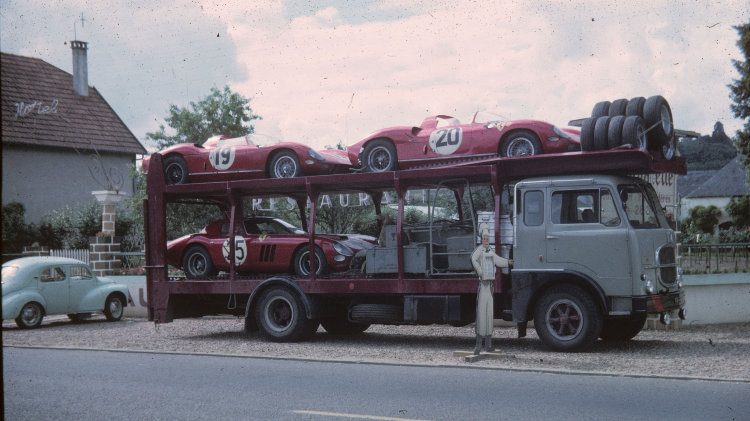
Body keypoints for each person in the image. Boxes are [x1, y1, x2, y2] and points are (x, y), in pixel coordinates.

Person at [470, 230, 512, 355]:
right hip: (483, 286)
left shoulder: (490, 250)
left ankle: (488, 345)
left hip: (490, 286)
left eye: (487, 239)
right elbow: (473, 259)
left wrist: (508, 262)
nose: (486, 241)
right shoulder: (479, 250)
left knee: (489, 315)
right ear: (481, 239)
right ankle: (478, 346)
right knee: (481, 315)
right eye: (484, 239)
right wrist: (480, 271)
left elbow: (498, 260)